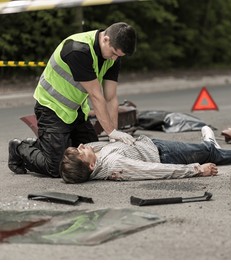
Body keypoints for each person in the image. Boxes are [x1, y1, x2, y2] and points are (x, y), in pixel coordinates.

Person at [8, 22, 137, 178]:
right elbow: (96, 96)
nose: (115, 58)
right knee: (57, 168)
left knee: (91, 158)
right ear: (106, 39)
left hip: (75, 111)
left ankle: (56, 145)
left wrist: (113, 136)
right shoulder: (78, 50)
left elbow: (110, 98)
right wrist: (110, 131)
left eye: (119, 56)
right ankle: (20, 147)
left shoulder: (113, 57)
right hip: (51, 108)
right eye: (114, 53)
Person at [59, 126, 231, 183]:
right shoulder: (115, 166)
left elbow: (94, 148)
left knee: (207, 152)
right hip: (164, 156)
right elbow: (154, 170)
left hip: (152, 145)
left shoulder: (97, 158)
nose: (81, 146)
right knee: (208, 153)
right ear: (90, 167)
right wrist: (196, 170)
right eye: (80, 152)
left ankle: (210, 146)